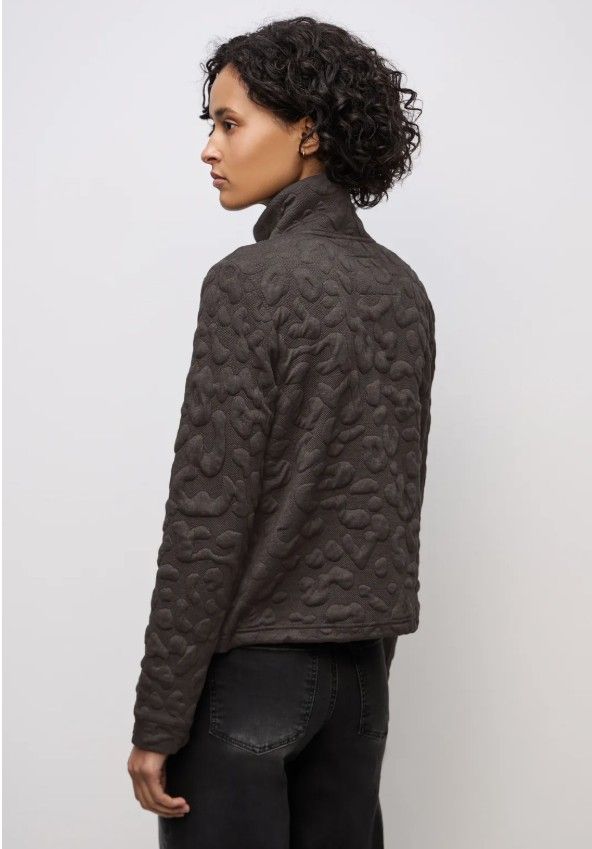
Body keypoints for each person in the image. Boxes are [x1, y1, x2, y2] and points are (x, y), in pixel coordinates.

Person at [127, 15, 436, 849]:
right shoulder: (402, 289)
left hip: (251, 683)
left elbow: (206, 520)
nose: (210, 148)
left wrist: (159, 719)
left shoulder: (248, 283)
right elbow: (394, 502)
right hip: (362, 681)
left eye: (230, 123)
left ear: (307, 132)